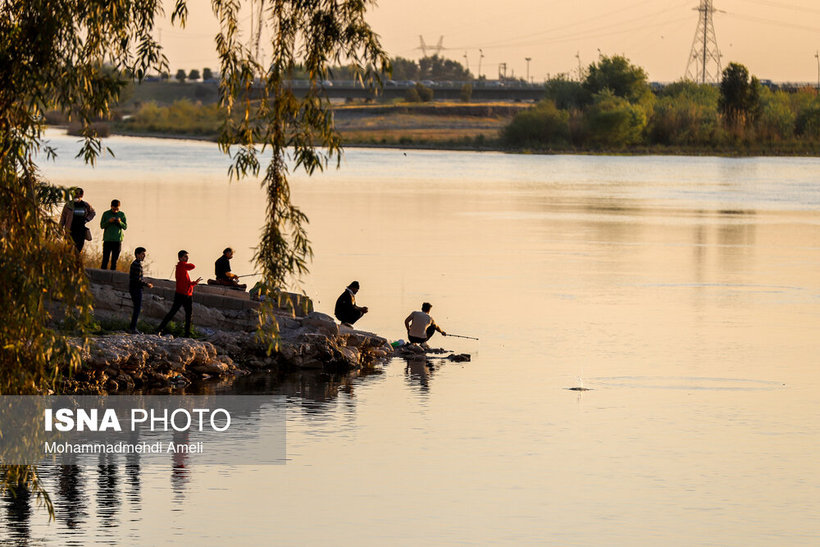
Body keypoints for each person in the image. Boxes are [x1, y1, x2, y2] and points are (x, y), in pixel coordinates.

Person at [157, 250, 202, 337]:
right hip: (181, 295)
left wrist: (195, 283)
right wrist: (184, 263)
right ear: (180, 258)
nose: (187, 258)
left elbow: (186, 283)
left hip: (187, 294)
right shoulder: (181, 267)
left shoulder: (183, 268)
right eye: (185, 257)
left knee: (188, 315)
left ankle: (187, 335)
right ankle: (159, 329)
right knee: (173, 313)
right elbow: (193, 266)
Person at [59, 187, 96, 251]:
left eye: (77, 193)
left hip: (81, 231)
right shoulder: (68, 205)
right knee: (68, 249)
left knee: (78, 249)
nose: (75, 195)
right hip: (70, 230)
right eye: (74, 193)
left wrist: (87, 219)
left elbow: (93, 212)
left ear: (81, 195)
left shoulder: (85, 205)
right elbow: (63, 217)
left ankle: (77, 260)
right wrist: (60, 227)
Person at [128, 247, 153, 334]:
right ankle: (133, 328)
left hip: (134, 288)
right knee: (137, 309)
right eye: (142, 254)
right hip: (136, 289)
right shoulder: (137, 265)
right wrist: (147, 284)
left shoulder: (135, 264)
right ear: (137, 254)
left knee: (137, 308)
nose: (144, 256)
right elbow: (137, 280)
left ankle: (133, 327)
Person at [100, 199, 127, 270]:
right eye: (114, 209)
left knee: (114, 261)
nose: (115, 210)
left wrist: (120, 222)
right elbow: (102, 226)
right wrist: (109, 221)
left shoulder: (122, 214)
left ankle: (112, 276)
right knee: (105, 260)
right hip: (107, 240)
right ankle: (102, 275)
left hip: (117, 240)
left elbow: (125, 227)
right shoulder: (106, 214)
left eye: (117, 209)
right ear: (111, 206)